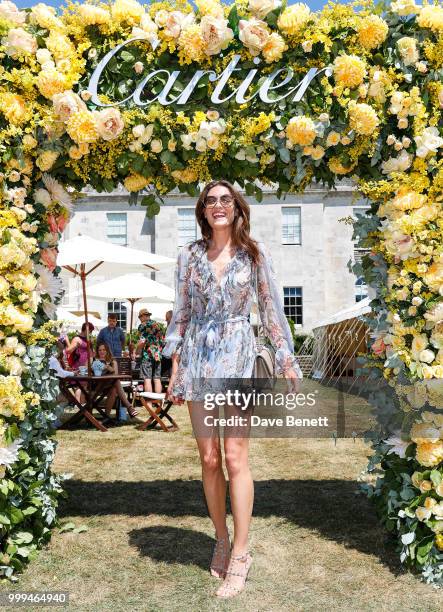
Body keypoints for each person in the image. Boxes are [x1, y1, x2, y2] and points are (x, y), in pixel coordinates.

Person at [162, 180, 303, 599]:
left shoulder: (254, 254)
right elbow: (181, 313)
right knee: (208, 458)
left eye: (225, 200)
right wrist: (173, 365)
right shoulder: (188, 256)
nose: (218, 206)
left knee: (235, 455)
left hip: (238, 354)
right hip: (198, 357)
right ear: (203, 211)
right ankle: (221, 538)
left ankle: (241, 553)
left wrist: (286, 357)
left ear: (237, 208)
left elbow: (271, 309)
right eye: (210, 201)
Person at [93, 342, 138, 419]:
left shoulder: (112, 361)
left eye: (104, 350)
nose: (102, 352)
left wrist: (111, 369)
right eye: (100, 350)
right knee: (116, 382)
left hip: (108, 386)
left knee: (114, 389)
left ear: (107, 351)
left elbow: (116, 376)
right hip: (97, 386)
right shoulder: (94, 361)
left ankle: (106, 417)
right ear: (97, 351)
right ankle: (129, 407)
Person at [136, 309, 165, 397]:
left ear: (143, 316)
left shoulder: (142, 326)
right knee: (157, 378)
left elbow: (142, 341)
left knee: (147, 379)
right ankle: (159, 402)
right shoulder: (157, 325)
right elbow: (162, 341)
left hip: (147, 354)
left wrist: (137, 350)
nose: (140, 319)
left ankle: (149, 403)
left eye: (140, 317)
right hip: (157, 354)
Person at [161, 310, 173, 378]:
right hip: (169, 354)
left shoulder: (172, 327)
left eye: (167, 318)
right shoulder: (169, 327)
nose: (166, 320)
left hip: (169, 354)